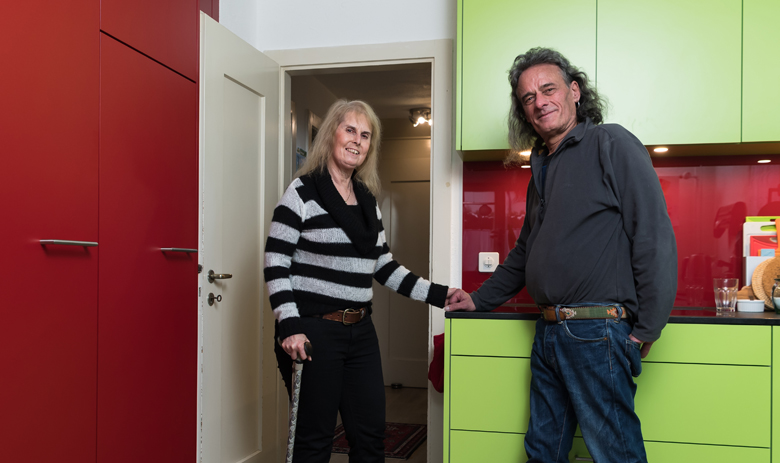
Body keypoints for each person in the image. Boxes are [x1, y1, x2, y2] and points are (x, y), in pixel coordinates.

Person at [445, 47, 677, 463]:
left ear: (574, 91)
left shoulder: (611, 143)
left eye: (548, 89)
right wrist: (479, 299)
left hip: (597, 331)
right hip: (549, 332)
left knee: (616, 454)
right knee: (542, 451)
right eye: (528, 97)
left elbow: (653, 234)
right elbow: (525, 252)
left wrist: (649, 326)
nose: (539, 102)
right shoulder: (542, 166)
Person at [264, 99, 452, 462]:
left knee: (369, 438)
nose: (357, 140)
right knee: (314, 441)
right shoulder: (302, 192)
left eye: (365, 135)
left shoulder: (367, 201)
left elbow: (384, 266)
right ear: (331, 135)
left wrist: (441, 295)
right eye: (350, 130)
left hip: (361, 333)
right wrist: (289, 325)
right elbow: (276, 260)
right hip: (313, 333)